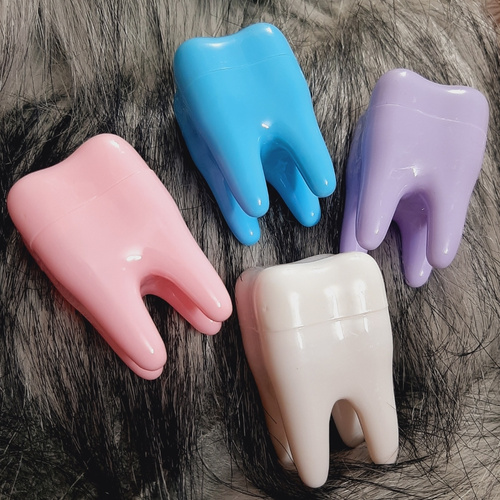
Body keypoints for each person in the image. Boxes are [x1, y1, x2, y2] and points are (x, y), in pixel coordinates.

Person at [1, 1, 499, 498]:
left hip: (301, 298)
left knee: (284, 225)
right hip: (260, 280)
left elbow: (348, 210)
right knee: (231, 269)